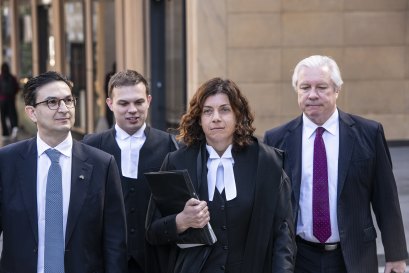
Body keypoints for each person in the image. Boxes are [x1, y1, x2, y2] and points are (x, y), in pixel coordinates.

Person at [264, 55, 408, 273]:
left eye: (321, 87)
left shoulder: (368, 134)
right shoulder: (276, 140)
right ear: (297, 91)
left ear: (337, 90)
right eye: (305, 87)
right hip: (297, 259)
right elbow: (268, 207)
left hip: (353, 257)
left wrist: (396, 256)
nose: (312, 94)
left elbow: (386, 200)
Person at [146, 77, 296, 273]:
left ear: (237, 115)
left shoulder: (267, 162)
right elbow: (152, 232)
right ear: (199, 119)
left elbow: (283, 236)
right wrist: (181, 221)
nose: (216, 117)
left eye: (224, 109)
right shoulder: (176, 162)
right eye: (208, 111)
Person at [0, 71, 127, 273]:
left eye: (68, 100)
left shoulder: (102, 165)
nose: (63, 108)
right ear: (31, 112)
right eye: (52, 102)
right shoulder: (6, 162)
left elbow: (115, 242)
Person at [83, 69, 178, 273]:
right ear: (110, 104)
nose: (132, 110)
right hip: (107, 260)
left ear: (149, 100)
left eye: (139, 102)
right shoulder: (92, 146)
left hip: (157, 259)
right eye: (123, 103)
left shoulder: (169, 145)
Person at [0, 62, 20, 139]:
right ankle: (14, 127)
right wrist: (13, 94)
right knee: (12, 114)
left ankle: (5, 134)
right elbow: (17, 88)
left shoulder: (0, 77)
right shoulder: (12, 77)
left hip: (2, 100)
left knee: (3, 116)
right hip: (11, 99)